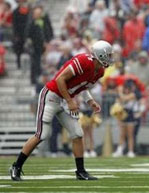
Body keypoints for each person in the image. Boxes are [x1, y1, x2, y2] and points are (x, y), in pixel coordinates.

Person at [9, 40, 114, 181]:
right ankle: (16, 166)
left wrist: (90, 101)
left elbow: (82, 87)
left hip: (64, 100)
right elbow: (60, 80)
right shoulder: (83, 61)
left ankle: (81, 171)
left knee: (77, 134)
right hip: (51, 96)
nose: (110, 57)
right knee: (42, 134)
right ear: (100, 55)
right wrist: (70, 101)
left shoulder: (99, 71)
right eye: (108, 54)